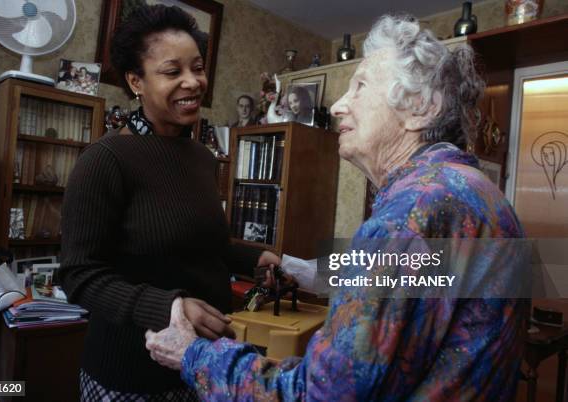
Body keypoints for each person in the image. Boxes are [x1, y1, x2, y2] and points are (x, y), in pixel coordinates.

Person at [145, 14, 528, 401]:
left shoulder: (408, 217)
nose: (339, 105)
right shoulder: (478, 195)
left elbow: (321, 395)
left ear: (422, 107)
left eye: (359, 86)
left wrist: (194, 354)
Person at [57, 4, 280, 401]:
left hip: (201, 367)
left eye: (197, 68)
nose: (193, 82)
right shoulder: (105, 161)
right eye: (173, 72)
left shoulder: (202, 158)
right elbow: (80, 275)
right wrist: (168, 307)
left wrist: (252, 260)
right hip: (130, 377)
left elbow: (198, 245)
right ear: (136, 81)